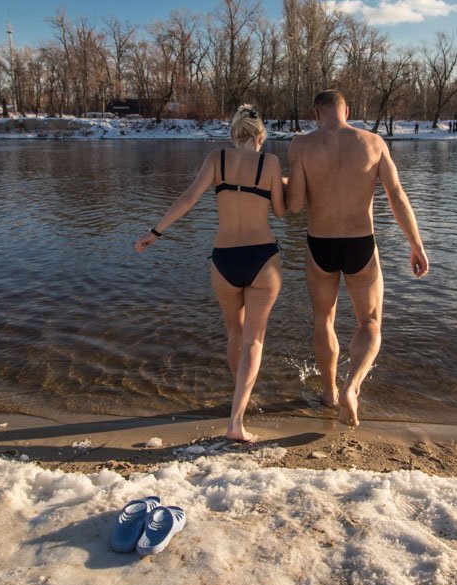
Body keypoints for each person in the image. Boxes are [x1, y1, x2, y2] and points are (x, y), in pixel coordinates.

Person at [135, 105, 285, 442]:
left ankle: (238, 398)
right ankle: (237, 420)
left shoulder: (216, 158)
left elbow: (189, 198)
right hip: (262, 258)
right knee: (254, 339)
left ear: (232, 135)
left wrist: (155, 232)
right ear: (261, 137)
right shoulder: (270, 162)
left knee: (235, 332)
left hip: (223, 259)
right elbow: (280, 210)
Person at [286, 90, 429, 427]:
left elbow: (293, 206)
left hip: (320, 244)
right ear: (346, 110)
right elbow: (396, 196)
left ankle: (329, 393)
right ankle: (352, 388)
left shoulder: (301, 145)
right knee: (369, 323)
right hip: (360, 244)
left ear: (316, 114)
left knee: (324, 320)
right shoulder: (373, 142)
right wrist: (416, 245)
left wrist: (275, 182)